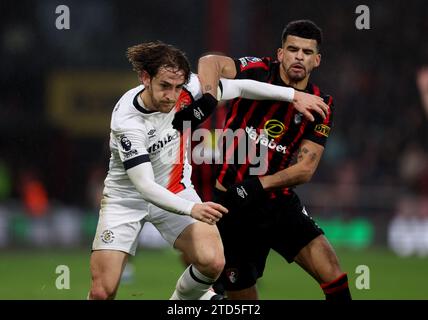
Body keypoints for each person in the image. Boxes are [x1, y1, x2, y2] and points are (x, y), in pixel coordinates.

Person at [89, 41, 329, 300]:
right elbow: (144, 186)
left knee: (213, 262)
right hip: (127, 199)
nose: (172, 95)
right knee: (103, 292)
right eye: (165, 87)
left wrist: (293, 96)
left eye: (177, 87)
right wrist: (193, 208)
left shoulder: (188, 89)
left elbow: (240, 87)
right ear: (145, 78)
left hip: (176, 188)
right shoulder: (128, 121)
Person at [173, 20, 352, 300]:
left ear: (317, 60)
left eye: (306, 52)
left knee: (333, 273)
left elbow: (305, 169)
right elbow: (210, 61)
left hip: (277, 202)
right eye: (292, 49)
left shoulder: (320, 105)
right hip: (231, 204)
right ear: (280, 54)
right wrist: (208, 97)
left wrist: (257, 185)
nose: (299, 57)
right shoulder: (258, 71)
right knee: (243, 297)